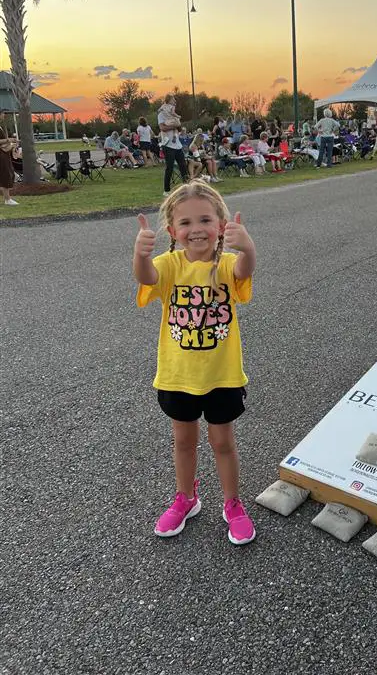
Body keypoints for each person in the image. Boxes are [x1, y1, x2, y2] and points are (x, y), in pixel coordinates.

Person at [134, 181, 257, 544]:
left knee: (223, 442)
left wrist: (248, 246)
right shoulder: (168, 265)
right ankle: (186, 498)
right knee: (183, 441)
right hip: (176, 376)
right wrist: (140, 255)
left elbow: (245, 270)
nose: (196, 229)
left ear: (221, 225)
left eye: (205, 219)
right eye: (185, 223)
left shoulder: (228, 263)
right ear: (173, 232)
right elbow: (147, 278)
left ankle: (232, 503)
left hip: (222, 376)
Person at [159, 96, 188, 196]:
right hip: (168, 144)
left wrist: (177, 125)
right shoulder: (161, 114)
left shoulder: (174, 113)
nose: (174, 102)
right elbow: (162, 128)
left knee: (183, 166)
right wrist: (174, 125)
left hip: (177, 145)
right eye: (173, 100)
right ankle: (166, 190)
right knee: (169, 167)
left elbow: (179, 129)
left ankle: (187, 186)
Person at [0, 116, 18, 205]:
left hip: (4, 153)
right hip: (1, 155)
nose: (4, 115)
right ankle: (7, 199)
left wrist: (11, 144)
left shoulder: (1, 126)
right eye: (2, 113)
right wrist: (9, 140)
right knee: (5, 175)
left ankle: (7, 198)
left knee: (7, 174)